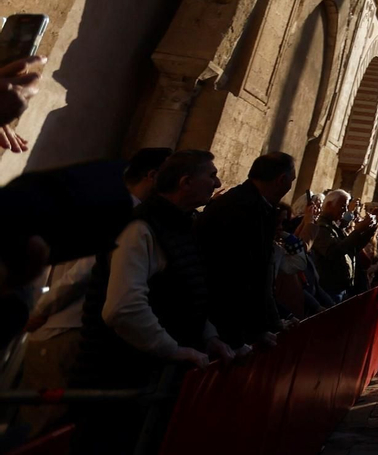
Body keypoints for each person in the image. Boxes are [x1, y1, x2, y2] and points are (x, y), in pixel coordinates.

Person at [71, 150, 235, 453]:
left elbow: (185, 292)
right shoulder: (140, 228)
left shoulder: (181, 225)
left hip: (153, 380)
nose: (218, 182)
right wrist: (173, 349)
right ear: (186, 182)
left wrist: (208, 337)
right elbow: (123, 309)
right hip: (122, 379)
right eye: (211, 175)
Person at [13, 148, 168, 443]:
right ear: (153, 176)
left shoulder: (133, 215)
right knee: (41, 425)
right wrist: (40, 310)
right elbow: (80, 273)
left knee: (52, 423)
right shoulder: (121, 214)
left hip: (71, 326)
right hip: (63, 326)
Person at [196, 151, 296, 349]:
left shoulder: (257, 207)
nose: (216, 183)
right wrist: (239, 336)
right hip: (223, 330)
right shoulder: (239, 208)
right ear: (282, 180)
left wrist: (268, 324)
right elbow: (234, 276)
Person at [309, 188, 378, 299]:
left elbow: (353, 247)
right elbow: (335, 252)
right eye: (342, 206)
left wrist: (370, 229)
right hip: (329, 288)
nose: (345, 210)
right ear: (329, 205)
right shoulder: (321, 228)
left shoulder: (335, 227)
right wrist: (357, 231)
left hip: (340, 289)